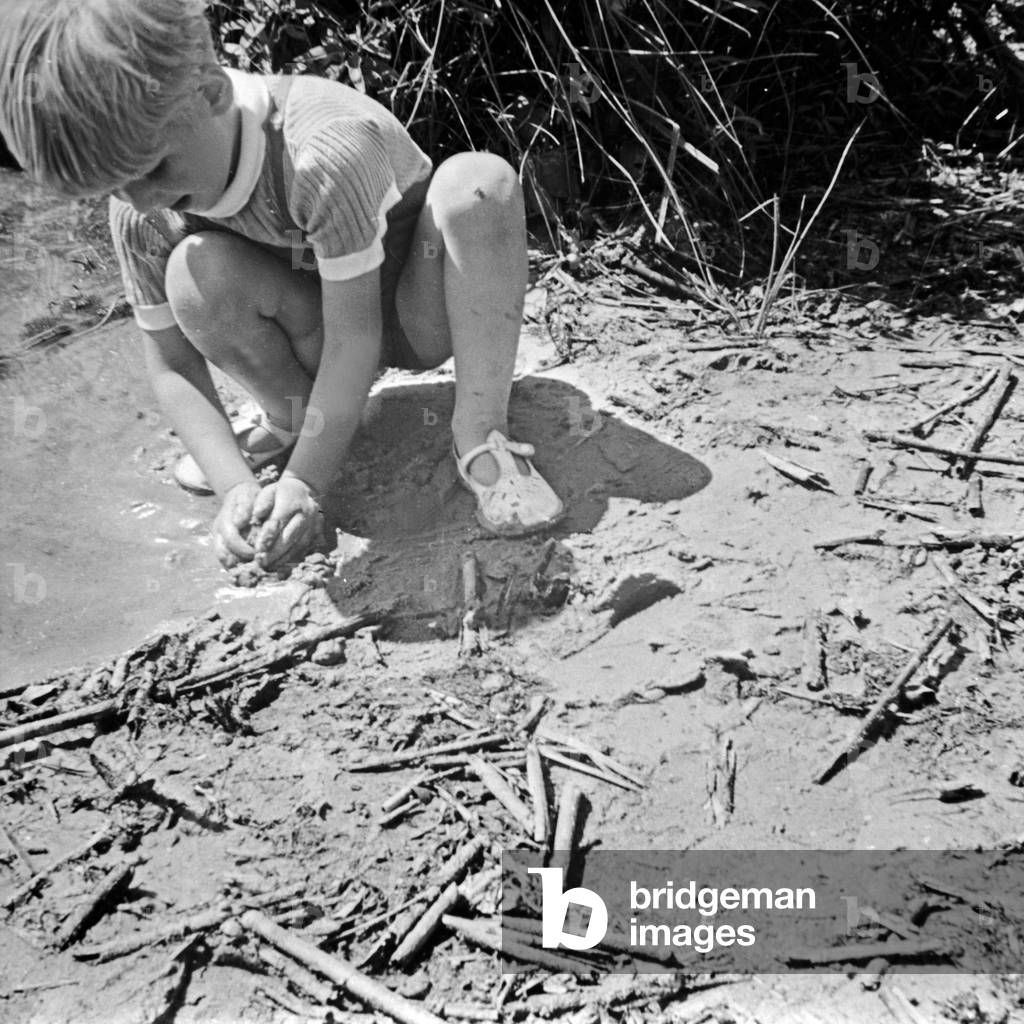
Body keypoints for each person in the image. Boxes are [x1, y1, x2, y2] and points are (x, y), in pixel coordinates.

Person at [0, 0, 564, 571]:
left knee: (478, 182)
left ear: (213, 92)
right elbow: (171, 367)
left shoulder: (320, 151)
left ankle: (480, 430)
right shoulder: (142, 210)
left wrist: (304, 484)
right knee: (195, 272)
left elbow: (357, 341)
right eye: (115, 188)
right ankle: (289, 413)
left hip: (413, 312)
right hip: (320, 328)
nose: (142, 201)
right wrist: (236, 490)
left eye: (154, 170)